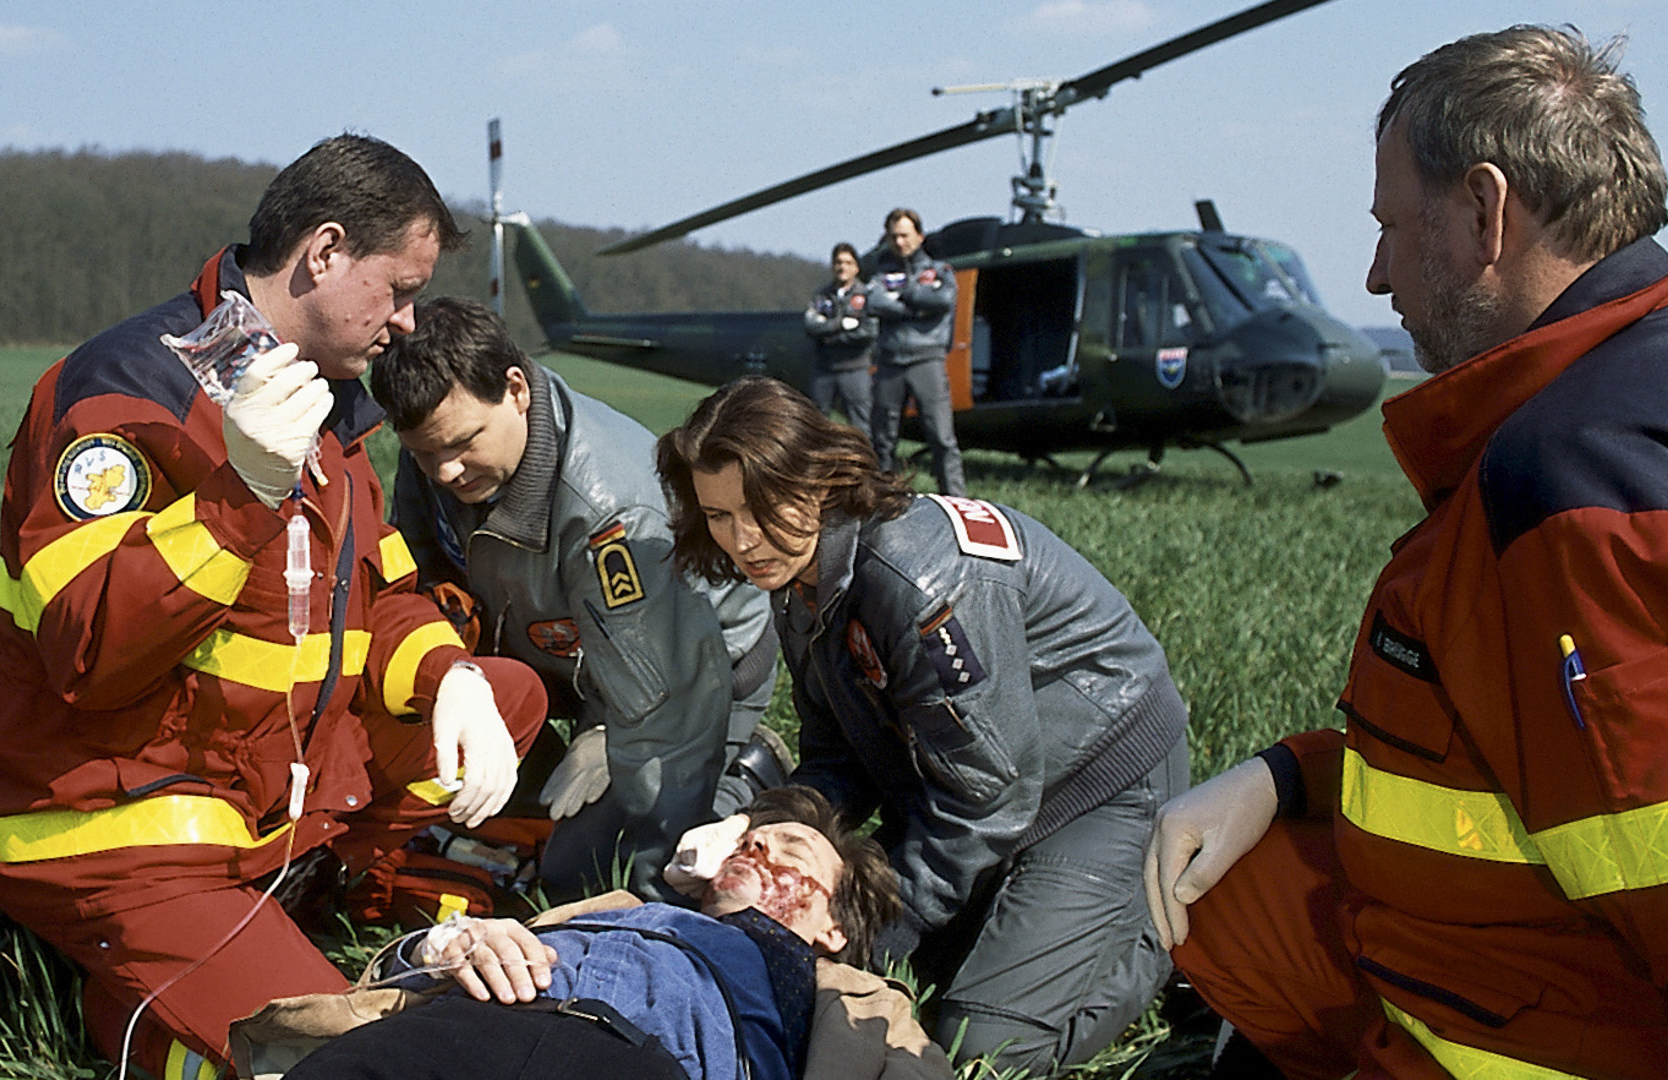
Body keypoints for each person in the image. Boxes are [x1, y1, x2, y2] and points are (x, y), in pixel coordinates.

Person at [1143, 26, 1668, 1080]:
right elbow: (1520, 767)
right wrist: (1291, 778)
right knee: (1241, 885)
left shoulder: (1574, 493)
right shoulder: (1654, 395)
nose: (1375, 277)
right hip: (1482, 982)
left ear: (1481, 212)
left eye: (1389, 226)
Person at [0, 135, 551, 1078]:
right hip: (117, 818)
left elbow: (382, 592)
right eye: (396, 290)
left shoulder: (325, 405)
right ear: (323, 253)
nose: (406, 322)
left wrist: (451, 675)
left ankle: (314, 898)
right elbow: (85, 652)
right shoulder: (128, 392)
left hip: (256, 791)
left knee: (508, 693)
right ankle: (135, 1003)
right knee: (350, 1062)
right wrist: (240, 495)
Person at [654, 377, 1190, 1073]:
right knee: (909, 986)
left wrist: (864, 929)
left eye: (762, 507)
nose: (742, 540)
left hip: (1102, 785)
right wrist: (755, 826)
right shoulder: (798, 570)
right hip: (973, 782)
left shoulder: (918, 579)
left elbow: (988, 797)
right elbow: (837, 756)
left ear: (822, 480)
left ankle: (1176, 933)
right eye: (719, 516)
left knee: (986, 1043)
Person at [373, 297, 782, 903]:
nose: (446, 472)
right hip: (556, 654)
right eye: (424, 453)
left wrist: (645, 891)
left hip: (693, 669)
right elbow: (421, 581)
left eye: (462, 444)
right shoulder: (440, 452)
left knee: (580, 874)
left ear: (516, 390)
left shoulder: (608, 510)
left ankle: (748, 776)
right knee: (489, 825)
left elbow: (666, 704)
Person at [256, 786, 951, 1080]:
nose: (760, 850)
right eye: (752, 840)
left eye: (791, 853)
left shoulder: (852, 997)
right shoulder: (611, 909)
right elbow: (376, 989)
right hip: (466, 1029)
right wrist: (442, 947)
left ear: (834, 928)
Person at [867, 208, 967, 496]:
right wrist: (917, 307)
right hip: (889, 364)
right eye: (894, 236)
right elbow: (873, 302)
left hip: (927, 360)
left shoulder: (939, 271)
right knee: (882, 440)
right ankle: (880, 499)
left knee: (941, 437)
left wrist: (903, 296)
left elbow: (943, 299)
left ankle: (957, 502)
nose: (899, 242)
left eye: (905, 235)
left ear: (920, 236)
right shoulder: (880, 274)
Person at [801, 242, 876, 426]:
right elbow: (810, 325)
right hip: (824, 370)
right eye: (838, 262)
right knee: (817, 423)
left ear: (856, 268)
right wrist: (841, 324)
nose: (842, 267)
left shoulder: (866, 295)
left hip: (855, 369)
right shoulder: (821, 296)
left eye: (848, 263)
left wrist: (829, 334)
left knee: (861, 424)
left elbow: (868, 331)